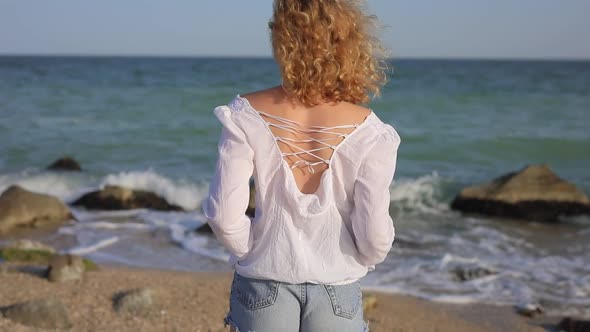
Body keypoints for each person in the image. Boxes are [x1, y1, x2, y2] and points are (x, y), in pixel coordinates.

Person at [203, 0, 401, 331]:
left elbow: (223, 215)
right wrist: (357, 259)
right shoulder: (371, 132)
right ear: (347, 44)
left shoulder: (245, 114)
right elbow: (375, 235)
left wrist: (254, 252)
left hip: (263, 283)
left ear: (282, 40)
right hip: (337, 288)